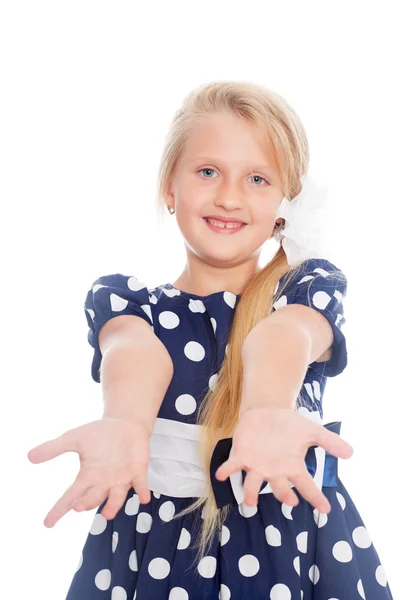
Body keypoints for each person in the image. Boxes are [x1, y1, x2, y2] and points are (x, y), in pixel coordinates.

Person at [27, 80, 393, 599]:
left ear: (287, 202)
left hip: (289, 550)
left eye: (258, 179)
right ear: (169, 188)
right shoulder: (131, 305)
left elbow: (284, 336)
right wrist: (125, 422)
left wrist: (266, 407)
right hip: (157, 550)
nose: (228, 196)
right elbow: (134, 353)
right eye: (207, 171)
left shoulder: (303, 292)